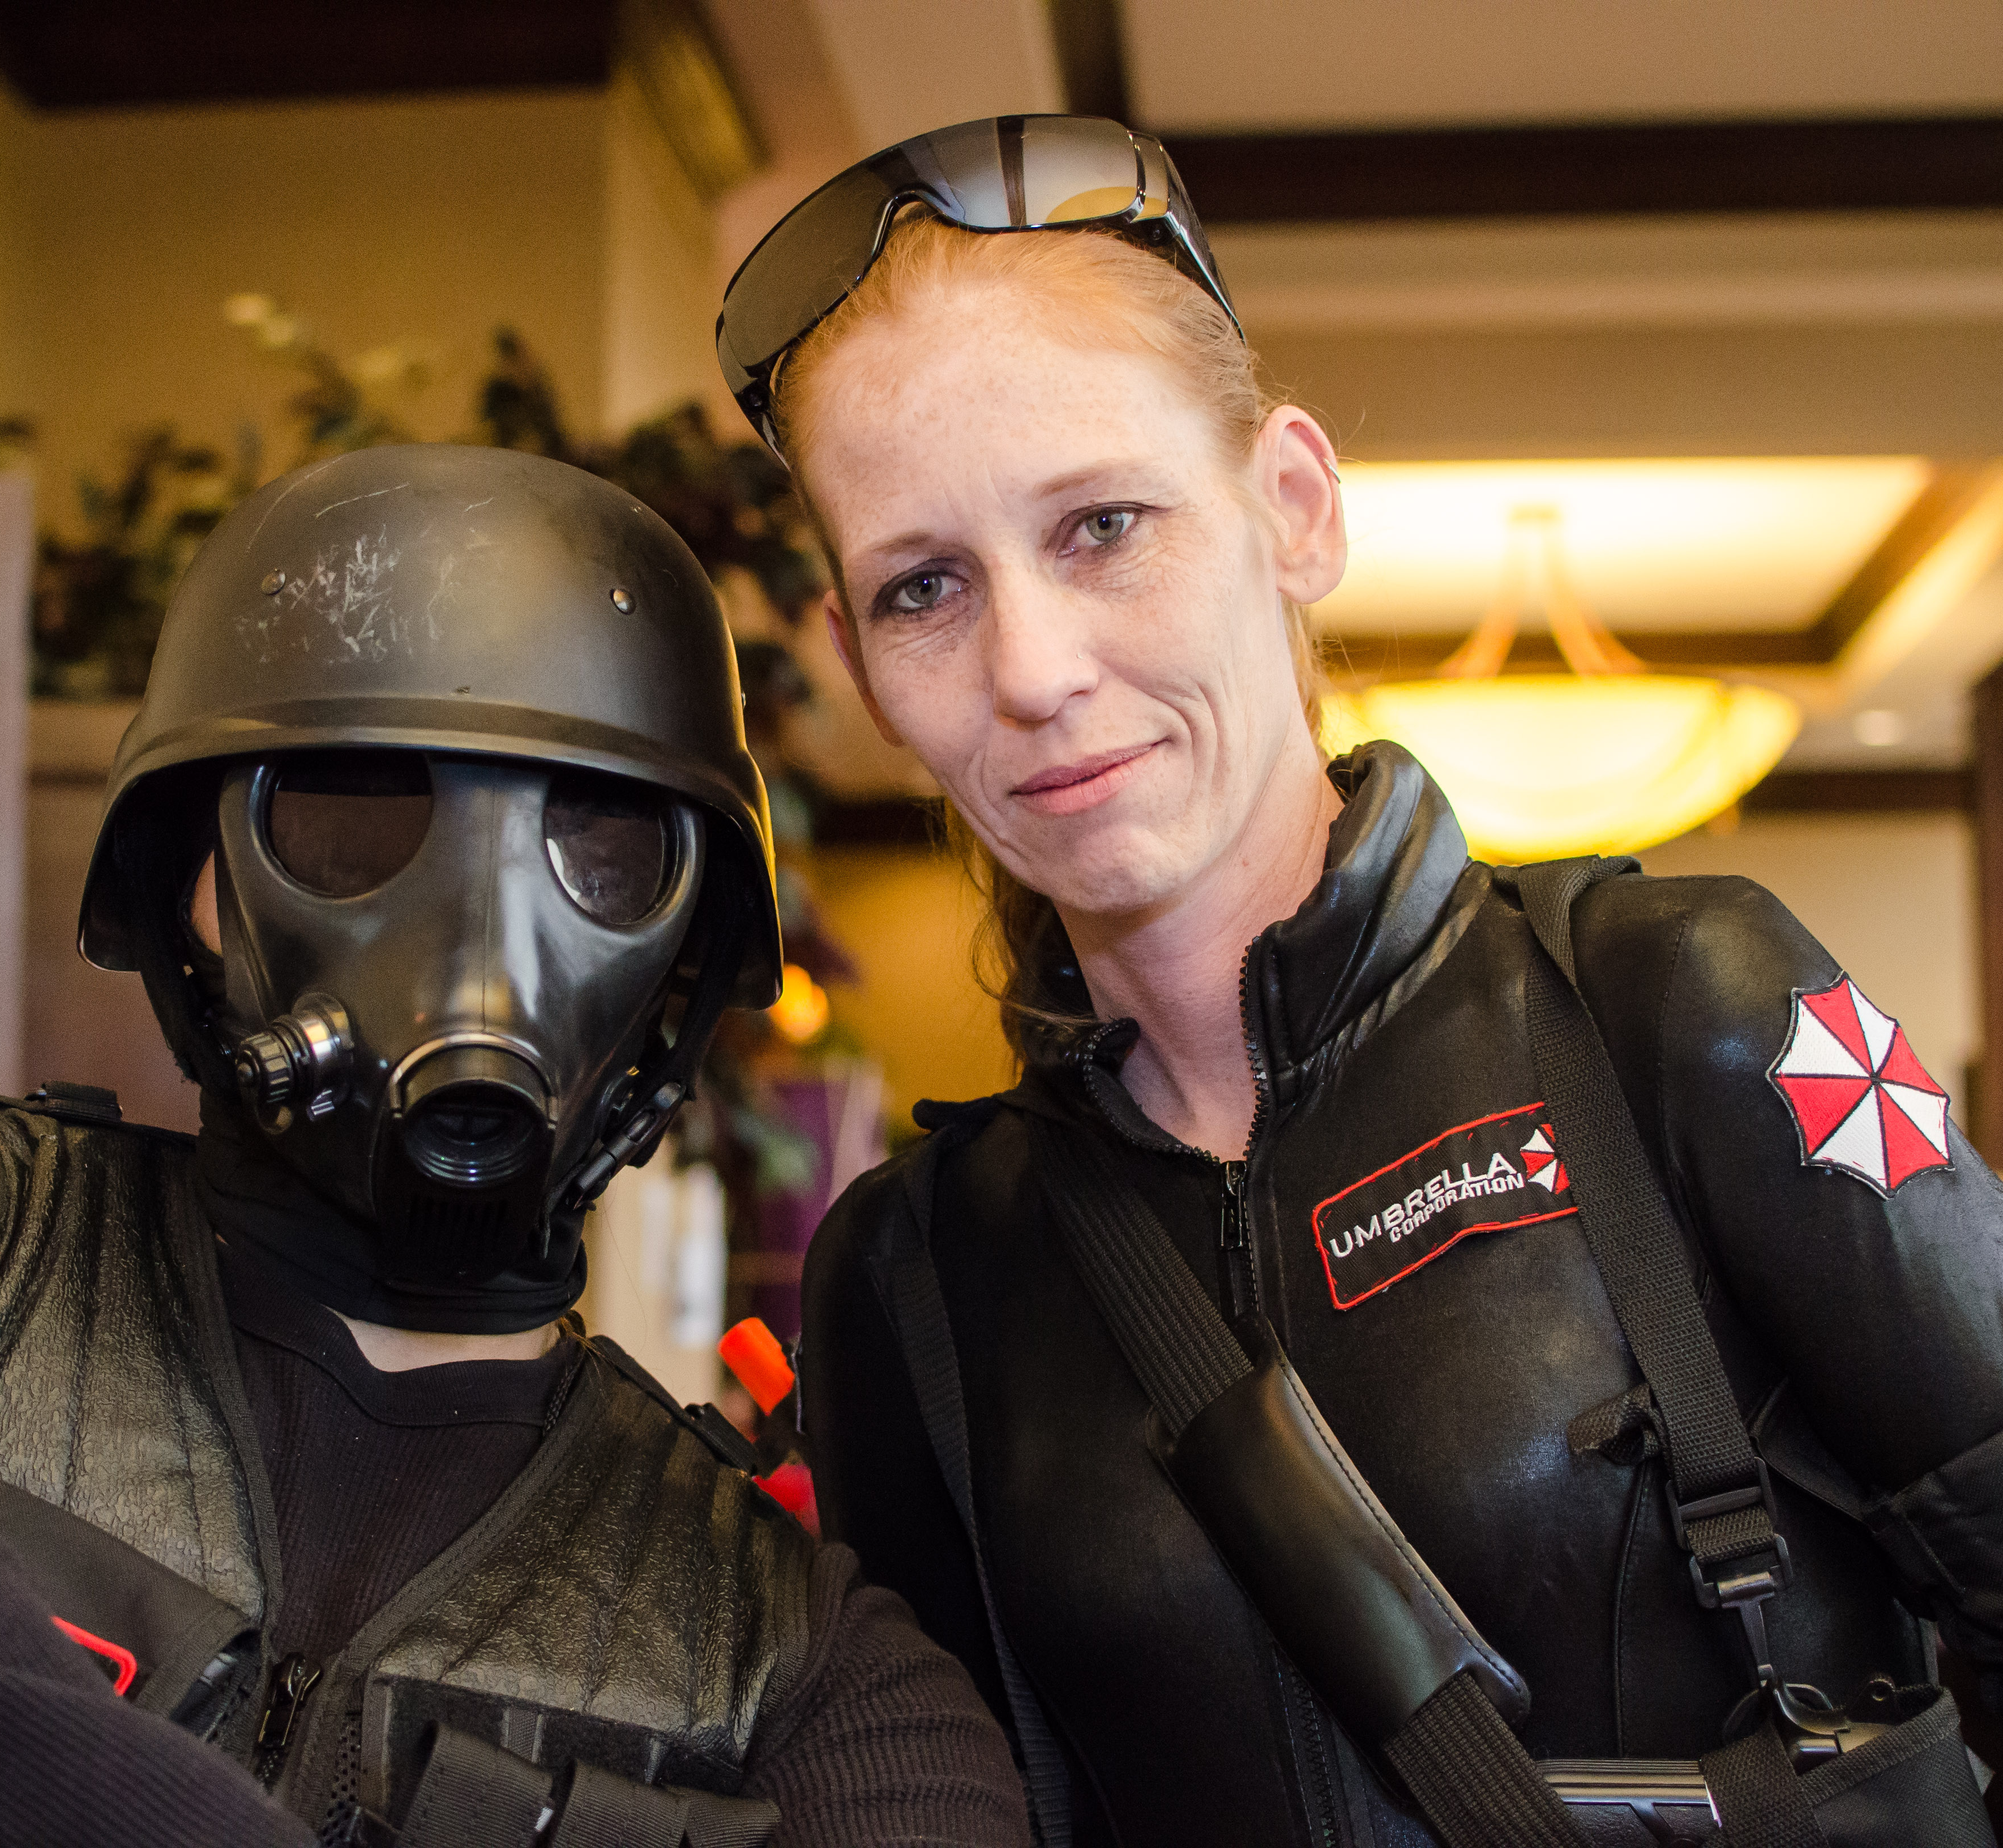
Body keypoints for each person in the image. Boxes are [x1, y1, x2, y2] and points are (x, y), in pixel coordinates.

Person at [0, 444, 1031, 1848]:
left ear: (685, 958)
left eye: (597, 848)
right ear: (192, 880)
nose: (481, 941)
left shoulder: (800, 1666)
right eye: (351, 819)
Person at [721, 116, 2003, 1846]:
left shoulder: (1682, 1005)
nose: (1032, 668)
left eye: (1102, 525)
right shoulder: (916, 1274)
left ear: (1294, 512)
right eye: (924, 588)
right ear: (866, 671)